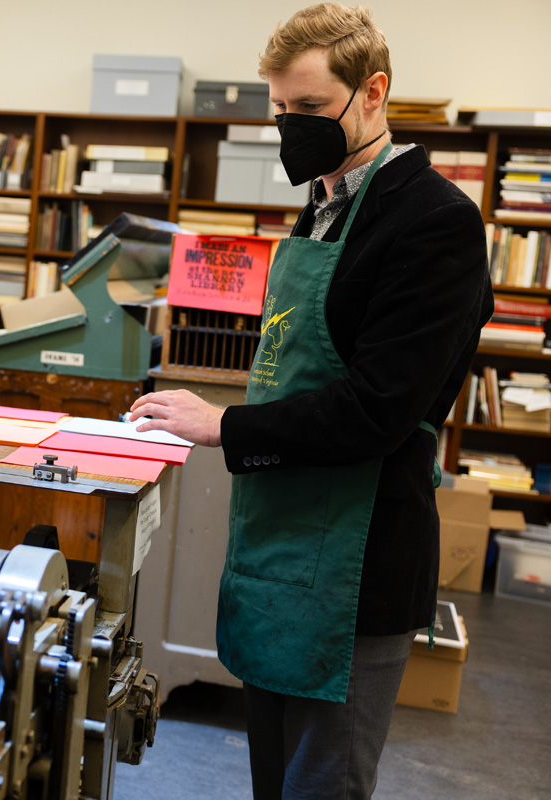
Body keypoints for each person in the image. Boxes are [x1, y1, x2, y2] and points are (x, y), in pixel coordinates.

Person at [130, 4, 492, 798]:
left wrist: (225, 424)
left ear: (373, 93)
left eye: (311, 109)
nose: (292, 128)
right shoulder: (323, 209)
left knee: (321, 785)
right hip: (279, 545)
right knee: (273, 779)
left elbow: (378, 408)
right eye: (282, 111)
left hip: (353, 568)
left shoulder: (435, 223)